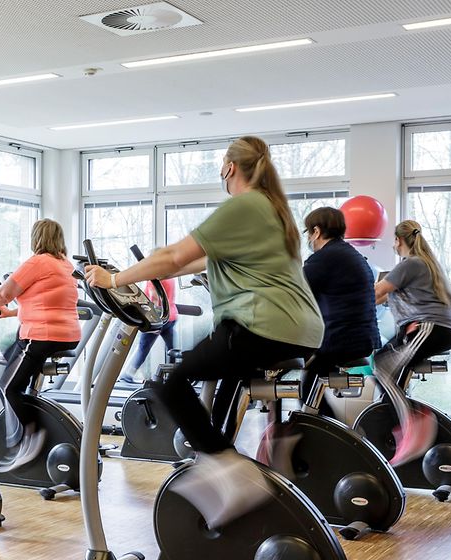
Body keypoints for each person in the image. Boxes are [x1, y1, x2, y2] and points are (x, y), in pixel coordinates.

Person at [84, 135, 324, 529]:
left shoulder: (244, 205)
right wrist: (135, 275)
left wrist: (113, 278)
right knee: (219, 378)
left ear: (229, 168)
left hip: (261, 323)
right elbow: (185, 265)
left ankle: (227, 468)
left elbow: (174, 255)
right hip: (300, 331)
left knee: (172, 382)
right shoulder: (271, 209)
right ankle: (256, 451)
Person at [0, 219, 81, 470]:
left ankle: (30, 436)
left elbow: (2, 294)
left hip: (41, 335)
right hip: (66, 334)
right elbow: (45, 303)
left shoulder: (38, 262)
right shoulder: (65, 265)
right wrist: (7, 314)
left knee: (7, 387)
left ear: (36, 238)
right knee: (10, 358)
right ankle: (26, 420)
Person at [372, 220, 451, 465]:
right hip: (440, 328)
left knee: (381, 366)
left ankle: (413, 423)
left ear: (399, 241)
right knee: (386, 362)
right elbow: (381, 298)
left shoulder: (410, 263)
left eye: (393, 240)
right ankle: (405, 423)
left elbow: (375, 293)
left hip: (430, 327)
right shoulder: (426, 264)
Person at [300, 207, 381, 411]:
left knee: (303, 377)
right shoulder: (351, 255)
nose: (309, 239)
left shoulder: (325, 258)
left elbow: (294, 292)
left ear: (316, 231)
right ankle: (320, 425)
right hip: (362, 338)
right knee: (311, 379)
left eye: (308, 233)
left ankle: (309, 428)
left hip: (341, 339)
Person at [120, 267, 178, 384]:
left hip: (157, 319)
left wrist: (154, 322)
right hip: (171, 317)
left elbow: (154, 299)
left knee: (143, 348)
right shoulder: (169, 277)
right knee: (172, 349)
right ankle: (173, 377)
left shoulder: (155, 278)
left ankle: (128, 374)